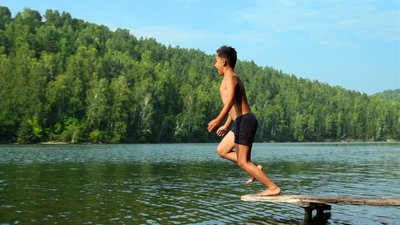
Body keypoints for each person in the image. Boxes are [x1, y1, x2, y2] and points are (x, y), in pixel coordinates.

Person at [207, 45, 281, 196]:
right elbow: (233, 106)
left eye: (216, 61)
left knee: (242, 161)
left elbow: (231, 101)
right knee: (222, 150)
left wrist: (218, 120)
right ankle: (255, 167)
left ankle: (273, 188)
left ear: (224, 61)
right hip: (239, 122)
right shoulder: (227, 79)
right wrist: (227, 124)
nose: (215, 65)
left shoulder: (232, 78)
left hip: (245, 121)